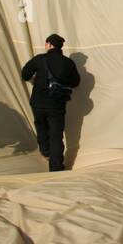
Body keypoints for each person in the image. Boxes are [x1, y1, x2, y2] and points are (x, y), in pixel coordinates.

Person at [21, 33, 81, 172]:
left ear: (49, 44)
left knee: (41, 126)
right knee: (56, 135)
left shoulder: (40, 59)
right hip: (57, 104)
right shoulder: (68, 63)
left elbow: (25, 74)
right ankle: (56, 167)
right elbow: (76, 82)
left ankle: (45, 151)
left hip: (38, 102)